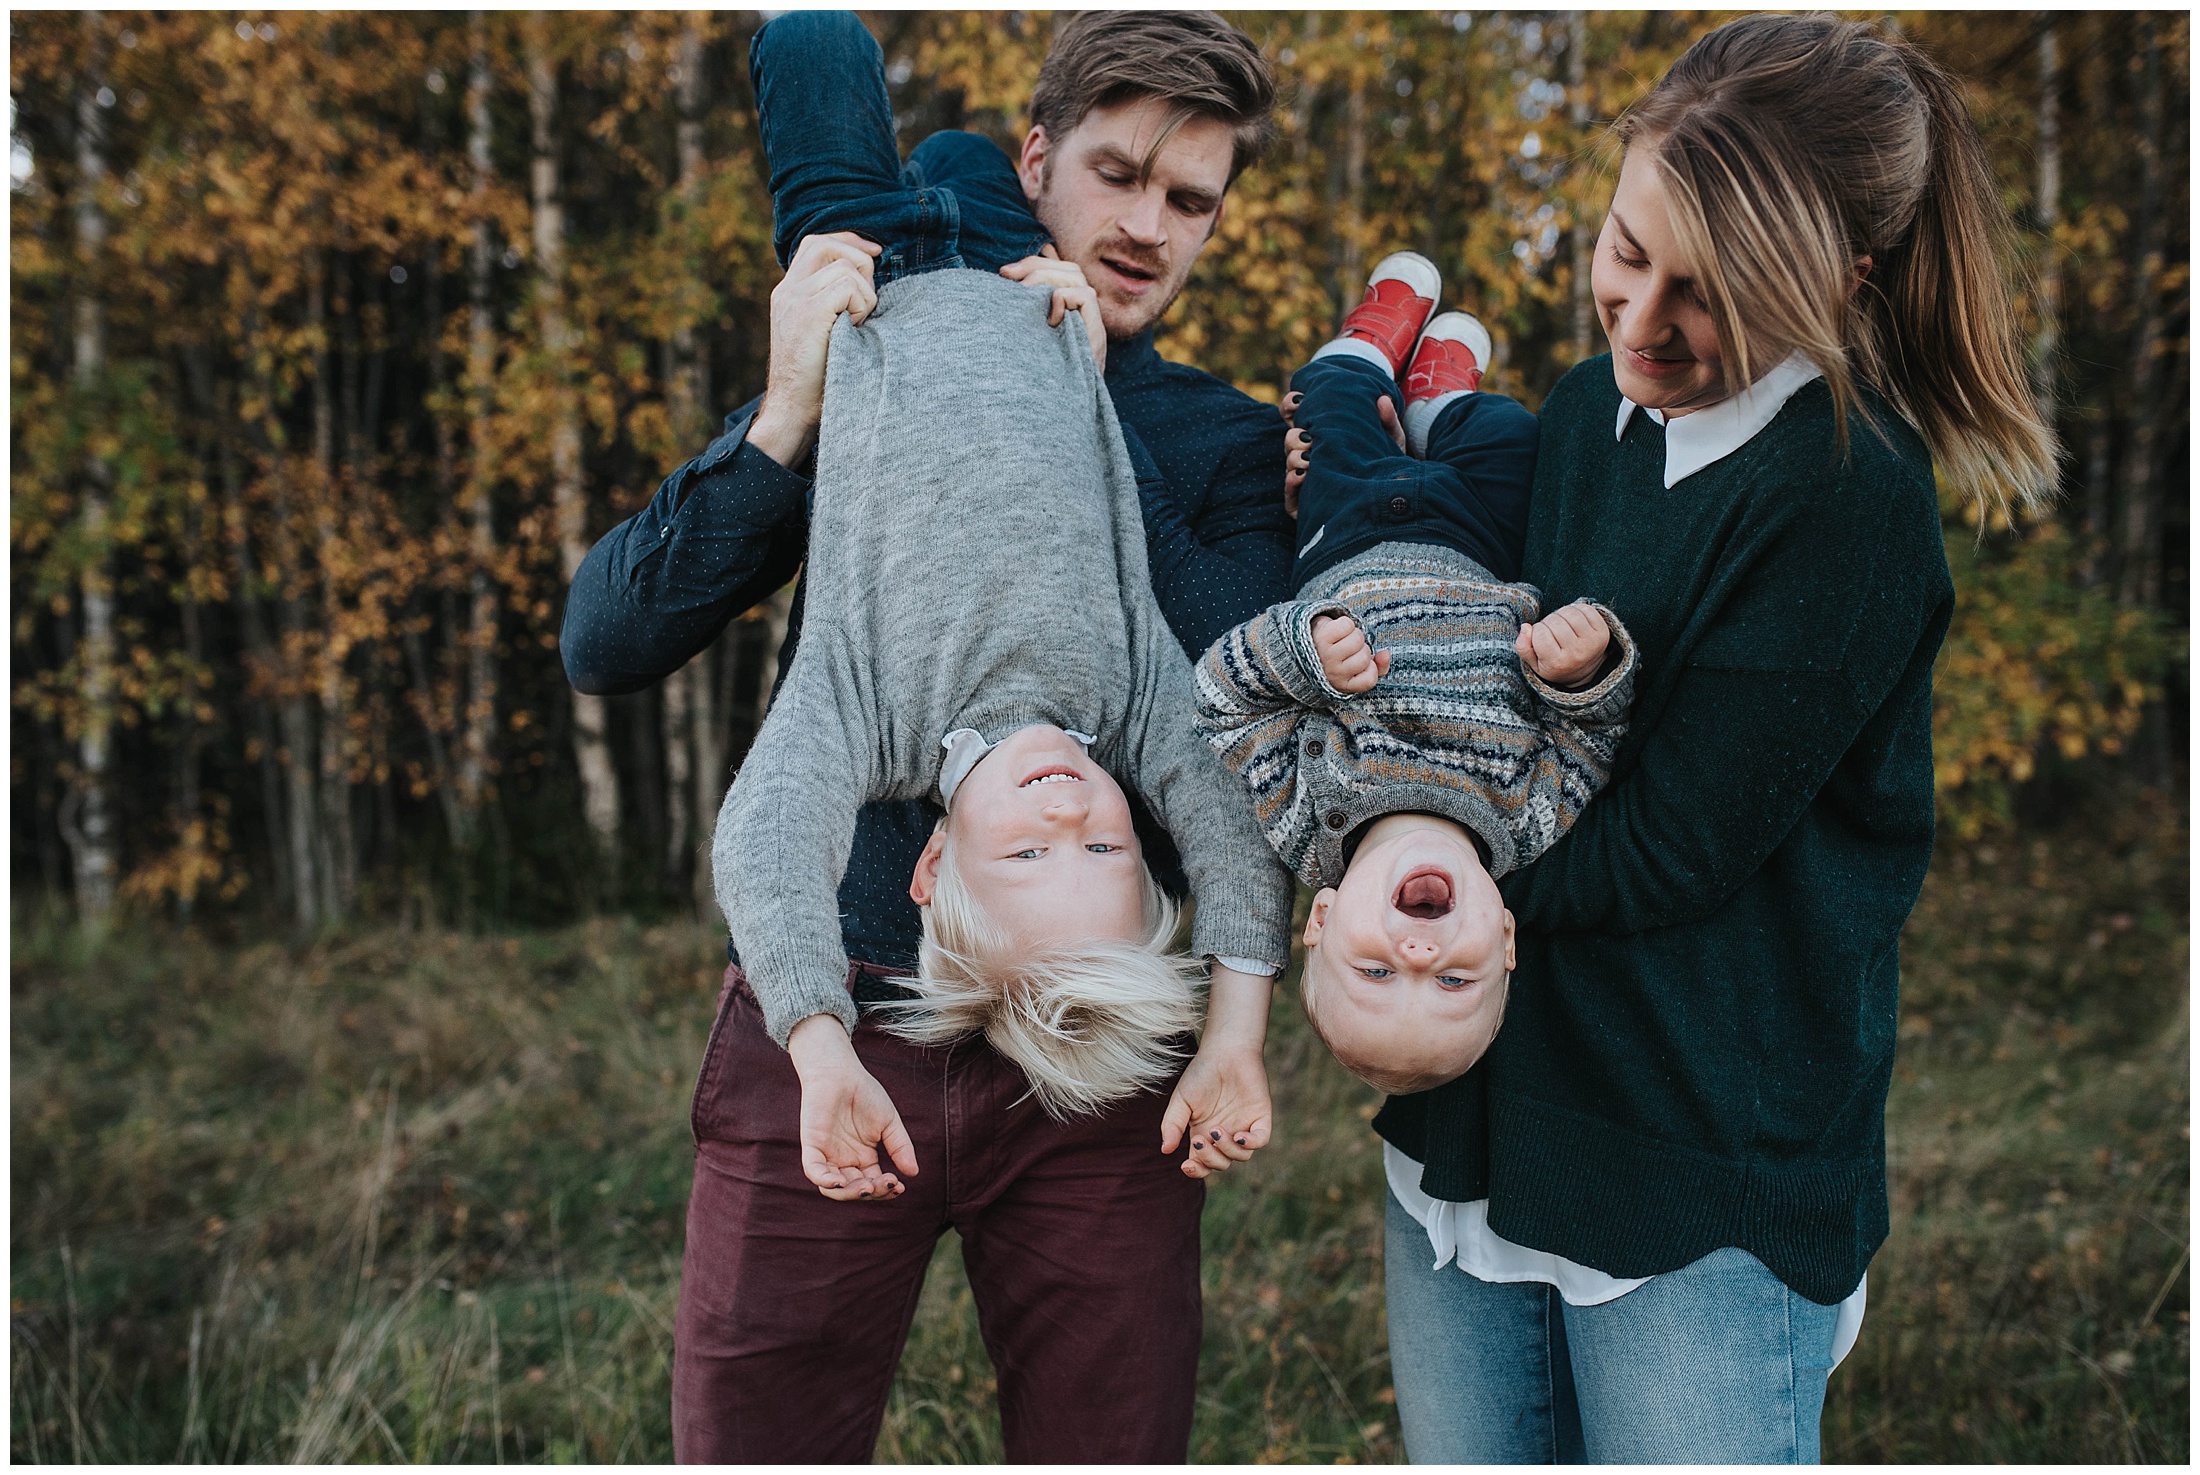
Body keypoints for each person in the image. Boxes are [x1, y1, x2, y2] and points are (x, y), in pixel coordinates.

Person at [560, 11, 1293, 1462]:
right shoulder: (873, 356)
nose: (1146, 225)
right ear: (1038, 160)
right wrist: (786, 412)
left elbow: (1227, 690)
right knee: (758, 1439)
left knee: (1111, 1438)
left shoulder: (1222, 441)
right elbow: (609, 637)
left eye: (1190, 198)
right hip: (829, 1004)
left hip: (1097, 1043)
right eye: (1117, 171)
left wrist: (1068, 402)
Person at [1370, 15, 2057, 1463]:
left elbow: (1661, 851)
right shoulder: (1580, 417)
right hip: (1484, 1125)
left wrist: (1406, 860)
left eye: (1710, 291)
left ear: (1843, 278)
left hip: (1695, 1167)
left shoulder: (1846, 495)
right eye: (1627, 250)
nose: (1637, 321)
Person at [712, 254, 1294, 1139]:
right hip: (1042, 296)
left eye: (1028, 858)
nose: (1067, 814)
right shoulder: (1129, 696)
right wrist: (1234, 1035)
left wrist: (823, 1049)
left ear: (937, 863)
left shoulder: (870, 718)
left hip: (872, 267)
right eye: (1105, 846)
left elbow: (770, 837)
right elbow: (1234, 823)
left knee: (833, 121)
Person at [1193, 251, 1638, 1095]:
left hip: (1347, 533)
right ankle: (1437, 396)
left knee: (1333, 407)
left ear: (1320, 920)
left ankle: (1368, 343)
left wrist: (1304, 650)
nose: (1420, 953)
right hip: (1482, 544)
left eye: (1378, 973)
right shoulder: (1530, 816)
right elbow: (1593, 737)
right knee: (1510, 431)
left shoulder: (1305, 819)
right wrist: (1582, 671)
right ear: (1505, 939)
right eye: (1454, 981)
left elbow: (1222, 704)